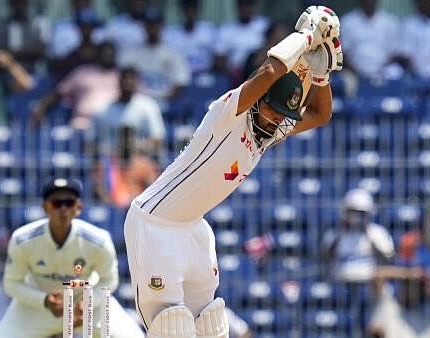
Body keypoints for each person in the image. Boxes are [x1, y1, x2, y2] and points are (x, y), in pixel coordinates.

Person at [123, 6, 342, 336]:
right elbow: (270, 70)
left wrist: (321, 74)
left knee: (211, 326)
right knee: (171, 328)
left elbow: (321, 115)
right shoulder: (227, 114)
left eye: (282, 115)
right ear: (258, 100)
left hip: (194, 230)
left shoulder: (268, 135)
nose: (274, 119)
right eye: (271, 108)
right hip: (155, 223)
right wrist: (306, 37)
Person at [0, 178, 144, 337]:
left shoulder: (98, 240)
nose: (62, 209)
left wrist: (88, 303)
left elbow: (109, 280)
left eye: (69, 203)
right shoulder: (23, 240)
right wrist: (45, 300)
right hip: (38, 306)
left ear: (78, 208)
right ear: (45, 208)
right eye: (56, 203)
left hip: (84, 304)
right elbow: (11, 283)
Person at [32, 41, 119, 130]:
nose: (108, 56)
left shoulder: (120, 77)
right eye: (105, 53)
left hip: (111, 125)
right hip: (83, 123)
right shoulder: (82, 72)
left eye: (110, 53)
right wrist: (41, 107)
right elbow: (58, 92)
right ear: (98, 54)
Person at [88, 67, 165, 161]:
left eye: (132, 79)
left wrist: (136, 148)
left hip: (139, 161)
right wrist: (112, 150)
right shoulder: (103, 110)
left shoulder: (148, 106)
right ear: (118, 81)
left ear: (137, 82)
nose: (128, 82)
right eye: (125, 79)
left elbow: (157, 140)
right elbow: (90, 145)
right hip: (111, 161)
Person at [321, 188, 395, 282]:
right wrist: (340, 234)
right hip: (340, 283)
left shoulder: (377, 232)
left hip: (370, 284)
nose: (356, 217)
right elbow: (324, 258)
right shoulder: (334, 233)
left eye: (361, 213)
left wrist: (369, 235)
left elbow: (388, 258)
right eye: (352, 212)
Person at [119, 9, 191, 104]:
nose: (152, 28)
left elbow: (181, 82)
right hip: (137, 103)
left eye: (155, 25)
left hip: (166, 102)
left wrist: (165, 100)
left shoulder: (173, 53)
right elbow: (124, 80)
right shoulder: (132, 53)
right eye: (149, 25)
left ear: (162, 27)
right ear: (144, 27)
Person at [340, 0, 400, 78]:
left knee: (395, 71)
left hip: (383, 71)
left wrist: (381, 71)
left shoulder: (390, 22)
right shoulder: (347, 21)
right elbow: (344, 53)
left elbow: (394, 53)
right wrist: (356, 71)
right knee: (343, 77)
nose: (369, 2)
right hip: (355, 71)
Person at [0, 0, 50, 71]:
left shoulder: (38, 24)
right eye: (15, 1)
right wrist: (27, 53)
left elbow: (41, 51)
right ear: (9, 3)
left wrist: (10, 55)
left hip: (32, 71)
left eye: (21, 1)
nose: (18, 5)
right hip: (4, 72)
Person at [162, 0, 216, 74]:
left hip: (204, 75)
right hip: (179, 75)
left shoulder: (209, 30)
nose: (190, 12)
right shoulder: (170, 33)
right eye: (187, 9)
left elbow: (216, 58)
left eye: (193, 9)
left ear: (197, 10)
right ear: (182, 11)